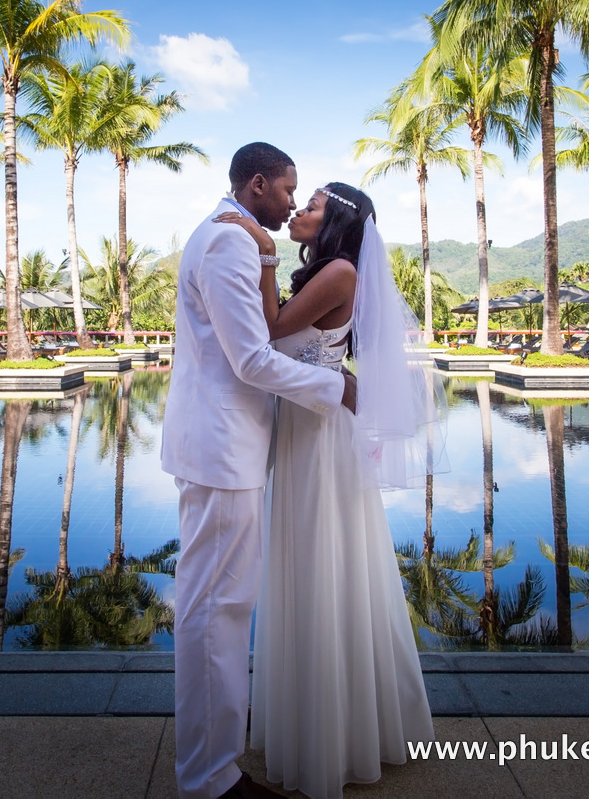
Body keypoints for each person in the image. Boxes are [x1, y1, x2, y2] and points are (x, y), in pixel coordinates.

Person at [216, 181, 437, 799]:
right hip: (306, 429)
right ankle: (321, 717)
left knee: (322, 568)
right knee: (317, 566)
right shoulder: (327, 270)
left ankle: (329, 735)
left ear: (335, 221)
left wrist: (259, 253)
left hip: (318, 440)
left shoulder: (339, 271)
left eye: (311, 205)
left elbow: (268, 329)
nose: (299, 211)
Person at [162, 143, 358, 799]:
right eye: (287, 189)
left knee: (216, 606)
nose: (293, 201)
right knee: (216, 609)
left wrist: (270, 254)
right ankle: (211, 778)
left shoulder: (240, 237)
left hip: (223, 445)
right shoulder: (227, 242)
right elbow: (251, 358)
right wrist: (336, 390)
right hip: (221, 448)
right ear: (257, 185)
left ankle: (211, 758)